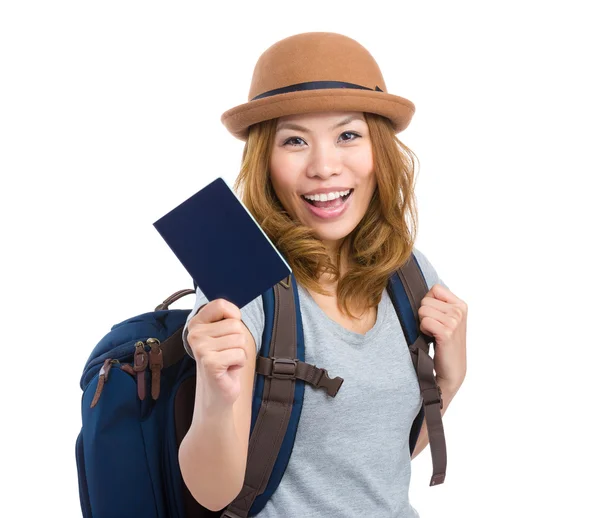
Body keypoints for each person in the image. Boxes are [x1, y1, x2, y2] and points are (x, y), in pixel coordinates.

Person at [179, 31, 468, 518]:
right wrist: (215, 397)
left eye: (348, 135)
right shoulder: (236, 268)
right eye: (294, 141)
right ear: (264, 160)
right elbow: (215, 495)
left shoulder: (409, 269)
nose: (324, 166)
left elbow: (375, 462)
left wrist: (450, 379)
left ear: (380, 148)